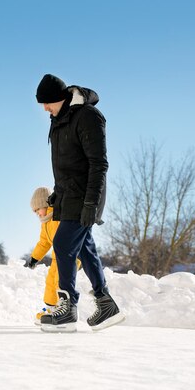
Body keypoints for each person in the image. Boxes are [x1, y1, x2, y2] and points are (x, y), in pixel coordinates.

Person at [35, 73, 125, 332]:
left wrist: (91, 204)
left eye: (47, 103)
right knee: (85, 249)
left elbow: (99, 164)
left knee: (62, 244)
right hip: (68, 196)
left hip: (85, 196)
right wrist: (56, 195)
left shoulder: (87, 116)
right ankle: (105, 303)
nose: (44, 109)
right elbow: (66, 166)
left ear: (59, 98)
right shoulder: (59, 119)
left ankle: (67, 307)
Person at [24, 186, 81, 325]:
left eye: (38, 209)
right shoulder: (45, 223)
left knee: (59, 282)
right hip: (57, 258)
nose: (37, 213)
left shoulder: (59, 216)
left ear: (45, 204)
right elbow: (44, 242)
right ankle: (51, 309)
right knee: (50, 281)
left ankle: (66, 311)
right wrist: (34, 258)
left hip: (70, 256)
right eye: (34, 211)